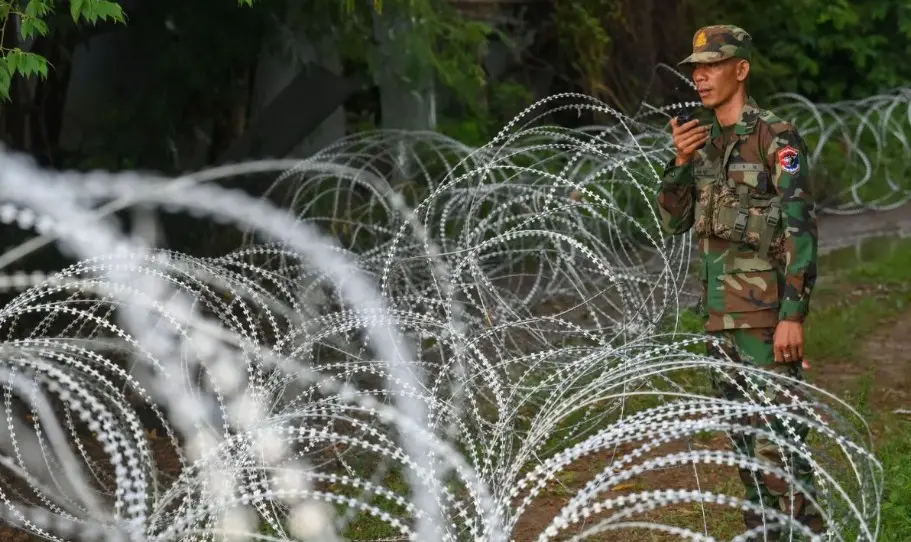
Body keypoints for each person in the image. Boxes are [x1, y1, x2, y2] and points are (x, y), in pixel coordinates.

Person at [656, 25, 824, 539]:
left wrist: (793, 317)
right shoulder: (703, 142)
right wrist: (680, 163)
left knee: (781, 441)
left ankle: (807, 531)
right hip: (719, 315)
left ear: (741, 69)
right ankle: (764, 531)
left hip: (765, 313)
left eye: (712, 65)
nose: (700, 77)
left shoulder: (775, 136)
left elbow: (801, 228)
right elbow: (675, 220)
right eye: (695, 69)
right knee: (744, 446)